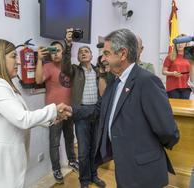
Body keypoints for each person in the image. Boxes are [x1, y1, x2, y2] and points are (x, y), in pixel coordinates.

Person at [72, 29, 180, 188]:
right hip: (124, 167)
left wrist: (148, 149)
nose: (103, 58)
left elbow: (168, 131)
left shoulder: (146, 81)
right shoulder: (114, 82)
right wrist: (71, 111)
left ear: (122, 54)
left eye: (107, 53)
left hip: (144, 170)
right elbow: (98, 110)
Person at [0, 39, 71, 188]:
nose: (18, 62)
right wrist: (54, 110)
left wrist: (53, 118)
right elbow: (23, 119)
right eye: (13, 56)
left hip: (0, 161)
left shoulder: (3, 84)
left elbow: (20, 115)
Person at [61, 28, 107, 188]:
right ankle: (84, 180)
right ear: (78, 57)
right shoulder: (74, 70)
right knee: (82, 152)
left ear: (92, 55)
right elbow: (65, 66)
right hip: (81, 114)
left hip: (97, 113)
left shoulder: (97, 71)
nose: (83, 53)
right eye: (80, 52)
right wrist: (68, 45)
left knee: (95, 149)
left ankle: (94, 176)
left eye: (86, 51)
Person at [35, 41, 78, 184]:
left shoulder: (69, 67)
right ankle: (56, 169)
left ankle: (72, 161)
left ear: (64, 52)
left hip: (68, 110)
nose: (55, 53)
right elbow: (38, 79)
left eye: (58, 50)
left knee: (70, 138)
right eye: (53, 51)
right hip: (54, 112)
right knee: (54, 143)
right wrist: (40, 60)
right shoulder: (47, 66)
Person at [162, 34, 191, 99]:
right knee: (174, 108)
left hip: (186, 87)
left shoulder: (190, 57)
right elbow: (163, 72)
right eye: (178, 43)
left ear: (186, 44)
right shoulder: (170, 56)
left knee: (184, 108)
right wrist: (173, 73)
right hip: (172, 88)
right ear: (175, 44)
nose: (179, 45)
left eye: (182, 43)